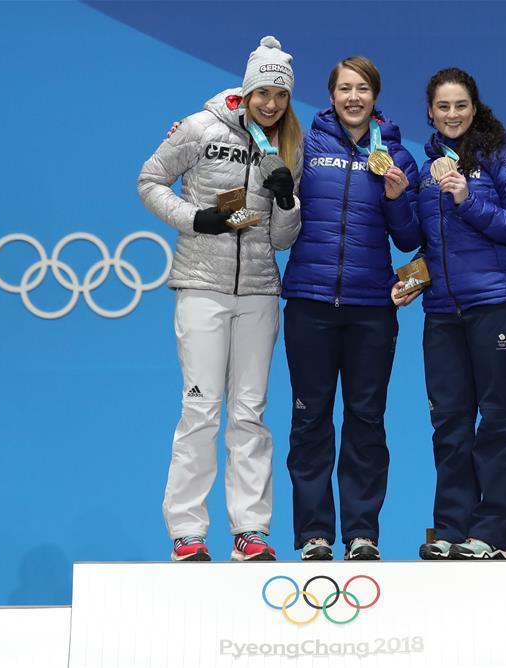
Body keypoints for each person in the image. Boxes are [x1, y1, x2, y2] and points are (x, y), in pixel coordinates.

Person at [137, 36, 302, 562]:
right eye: (264, 92)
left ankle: (250, 531)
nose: (271, 104)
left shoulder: (288, 145)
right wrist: (196, 219)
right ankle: (187, 532)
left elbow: (281, 239)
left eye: (281, 94)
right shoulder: (200, 127)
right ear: (247, 90)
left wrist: (287, 199)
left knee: (250, 414)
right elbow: (150, 181)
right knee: (201, 408)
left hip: (259, 291)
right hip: (202, 287)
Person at [393, 67, 506, 560]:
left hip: (495, 305)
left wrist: (467, 200)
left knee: (495, 420)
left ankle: (494, 535)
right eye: (443, 107)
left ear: (474, 109)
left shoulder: (504, 159)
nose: (452, 114)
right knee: (449, 424)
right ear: (430, 113)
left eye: (460, 105)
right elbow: (416, 239)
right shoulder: (426, 169)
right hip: (442, 312)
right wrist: (396, 202)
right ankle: (452, 529)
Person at [282, 56, 420, 561]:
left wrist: (397, 198)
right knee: (309, 421)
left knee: (366, 421)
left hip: (370, 310)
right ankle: (314, 535)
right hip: (310, 303)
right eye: (345, 88)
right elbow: (254, 141)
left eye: (362, 88)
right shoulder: (304, 146)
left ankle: (362, 534)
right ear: (331, 95)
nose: (353, 97)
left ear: (375, 96)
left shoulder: (398, 156)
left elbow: (409, 238)